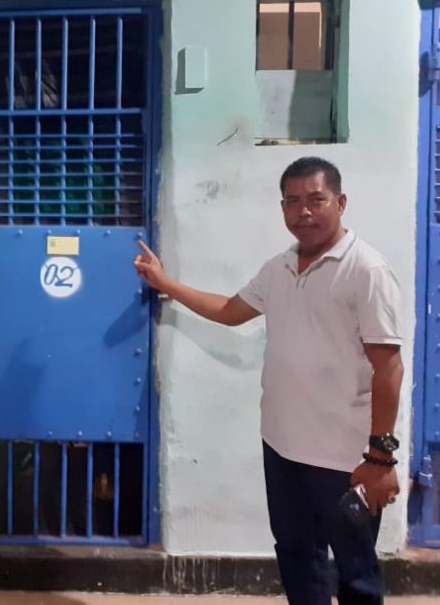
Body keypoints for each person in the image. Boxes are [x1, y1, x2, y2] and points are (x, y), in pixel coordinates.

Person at [134, 157, 402, 605]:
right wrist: (166, 283)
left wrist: (380, 458)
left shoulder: (366, 270)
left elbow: (389, 367)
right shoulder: (279, 268)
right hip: (282, 448)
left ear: (340, 203)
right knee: (297, 558)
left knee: (355, 572)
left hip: (345, 459)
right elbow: (229, 311)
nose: (303, 212)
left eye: (316, 200)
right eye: (292, 202)